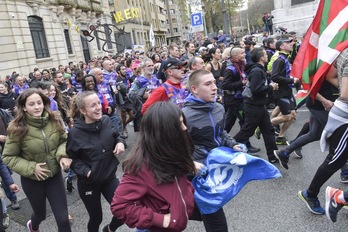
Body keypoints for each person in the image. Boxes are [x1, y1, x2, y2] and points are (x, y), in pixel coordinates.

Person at [111, 102, 201, 231]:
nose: (185, 128)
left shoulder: (171, 152)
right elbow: (120, 206)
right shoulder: (141, 166)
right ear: (164, 131)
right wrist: (160, 219)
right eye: (179, 124)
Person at [182, 69, 246, 232]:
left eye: (214, 83)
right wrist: (190, 164)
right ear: (194, 89)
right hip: (194, 175)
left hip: (215, 170)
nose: (215, 87)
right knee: (214, 218)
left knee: (207, 211)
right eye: (208, 84)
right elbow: (173, 148)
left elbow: (221, 132)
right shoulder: (183, 115)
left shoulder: (219, 108)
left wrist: (233, 144)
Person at [2, 88, 72, 232]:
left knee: (63, 219)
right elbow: (8, 157)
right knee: (40, 215)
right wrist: (31, 167)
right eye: (32, 104)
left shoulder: (54, 120)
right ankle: (32, 226)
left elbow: (64, 141)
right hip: (32, 181)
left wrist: (63, 155)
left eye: (39, 103)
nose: (37, 107)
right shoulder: (16, 128)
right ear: (24, 107)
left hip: (54, 177)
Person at [298, 47, 348, 215]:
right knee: (334, 161)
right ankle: (311, 194)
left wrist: (341, 83)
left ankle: (343, 198)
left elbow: (332, 76)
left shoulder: (344, 51)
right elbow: (346, 94)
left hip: (339, 111)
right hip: (344, 117)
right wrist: (342, 87)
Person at [67, 91, 125, 232]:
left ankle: (109, 230)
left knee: (123, 211)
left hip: (109, 177)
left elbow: (117, 135)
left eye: (99, 103)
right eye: (93, 105)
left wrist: (120, 142)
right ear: (83, 111)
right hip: (89, 183)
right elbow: (72, 159)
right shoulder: (75, 133)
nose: (99, 107)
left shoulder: (106, 120)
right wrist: (86, 172)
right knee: (96, 218)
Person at [233, 48, 279, 163]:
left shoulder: (259, 70)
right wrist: (270, 87)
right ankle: (228, 148)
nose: (267, 56)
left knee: (268, 130)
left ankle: (273, 156)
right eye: (265, 55)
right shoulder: (257, 71)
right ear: (261, 58)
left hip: (259, 105)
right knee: (247, 131)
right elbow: (256, 89)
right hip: (253, 106)